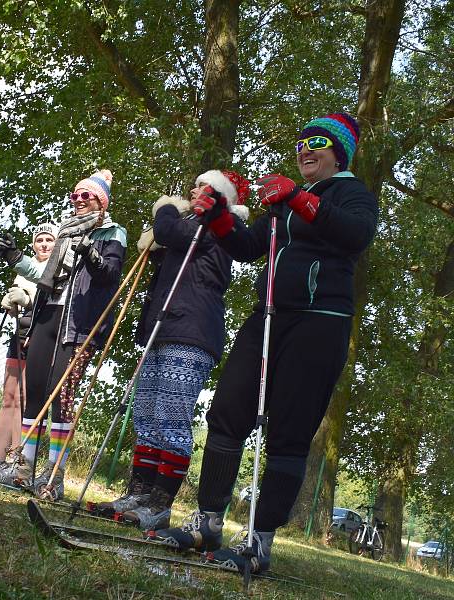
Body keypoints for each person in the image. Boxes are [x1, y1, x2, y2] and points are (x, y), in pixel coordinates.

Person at [155, 112, 378, 575]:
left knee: (288, 432)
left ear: (339, 152)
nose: (304, 149)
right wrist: (216, 215)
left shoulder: (351, 192)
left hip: (320, 322)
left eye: (316, 142)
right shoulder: (282, 203)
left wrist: (296, 197)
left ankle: (259, 540)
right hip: (268, 316)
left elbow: (356, 234)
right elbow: (245, 246)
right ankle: (207, 522)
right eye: (300, 143)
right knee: (227, 410)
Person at [94, 170, 250, 531]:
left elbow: (168, 231)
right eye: (193, 185)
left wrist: (164, 208)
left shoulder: (218, 225)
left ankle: (161, 504)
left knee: (170, 418)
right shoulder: (193, 222)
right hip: (162, 328)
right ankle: (139, 494)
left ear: (218, 195)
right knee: (146, 415)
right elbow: (158, 245)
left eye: (201, 186)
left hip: (191, 332)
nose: (193, 190)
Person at [0, 170, 127, 500]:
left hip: (80, 324)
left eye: (87, 196)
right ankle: (24, 468)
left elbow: (110, 273)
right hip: (48, 315)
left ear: (101, 201)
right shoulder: (65, 232)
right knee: (35, 391)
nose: (78, 199)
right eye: (75, 194)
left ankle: (53, 477)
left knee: (61, 396)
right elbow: (44, 273)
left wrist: (91, 253)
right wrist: (15, 259)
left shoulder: (113, 232)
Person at [0, 223, 56, 474]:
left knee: (26, 402)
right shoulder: (23, 269)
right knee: (9, 398)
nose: (45, 244)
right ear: (33, 244)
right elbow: (16, 303)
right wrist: (12, 303)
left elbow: (47, 302)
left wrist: (28, 301)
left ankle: (18, 464)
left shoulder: (57, 269)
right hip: (19, 335)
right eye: (40, 240)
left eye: (49, 240)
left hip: (41, 339)